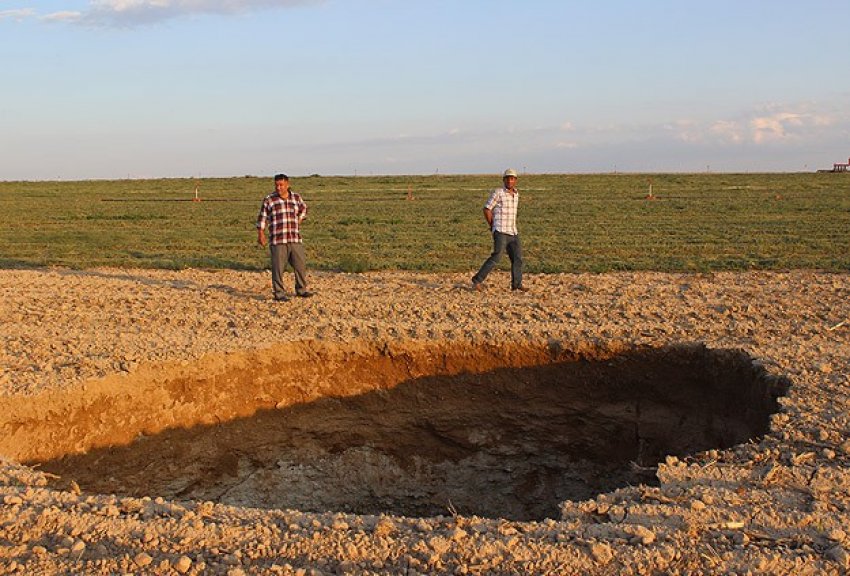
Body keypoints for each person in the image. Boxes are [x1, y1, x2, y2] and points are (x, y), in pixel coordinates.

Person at [256, 173, 313, 301]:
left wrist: (299, 219)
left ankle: (301, 290)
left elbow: (304, 209)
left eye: (281, 185)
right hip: (278, 239)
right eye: (276, 185)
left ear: (288, 184)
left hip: (294, 238)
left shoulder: (296, 198)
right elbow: (262, 218)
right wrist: (261, 234)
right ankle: (279, 293)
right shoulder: (269, 200)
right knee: (278, 268)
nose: (279, 187)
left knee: (300, 265)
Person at [471, 168, 528, 292]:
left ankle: (516, 285)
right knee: (496, 256)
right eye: (507, 178)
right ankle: (477, 280)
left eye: (512, 179)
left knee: (517, 258)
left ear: (515, 181)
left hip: (513, 231)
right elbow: (487, 209)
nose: (510, 181)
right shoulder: (498, 192)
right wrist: (492, 225)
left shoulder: (517, 194)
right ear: (504, 180)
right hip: (500, 230)